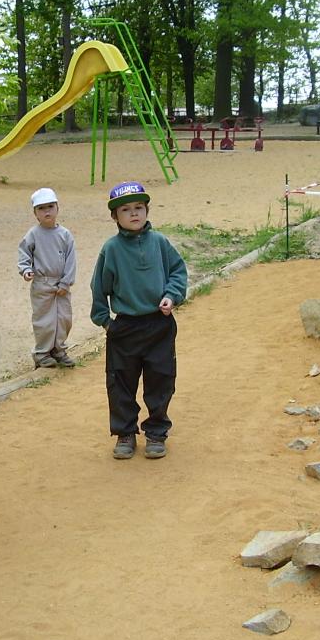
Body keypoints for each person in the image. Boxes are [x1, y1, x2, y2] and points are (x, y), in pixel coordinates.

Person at [90, 181, 187, 460]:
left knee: (161, 380)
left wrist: (171, 295)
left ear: (146, 211)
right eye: (125, 209)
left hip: (159, 323)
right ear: (114, 216)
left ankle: (156, 432)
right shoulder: (111, 249)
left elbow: (178, 271)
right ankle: (125, 433)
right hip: (125, 327)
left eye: (139, 207)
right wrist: (105, 321)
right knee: (120, 382)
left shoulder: (160, 243)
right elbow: (99, 287)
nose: (133, 213)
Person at [18, 187, 77, 369]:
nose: (47, 212)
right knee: (44, 320)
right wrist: (26, 269)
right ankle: (42, 353)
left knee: (63, 318)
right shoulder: (33, 235)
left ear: (57, 208)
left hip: (61, 284)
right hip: (42, 283)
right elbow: (24, 253)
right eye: (41, 208)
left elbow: (71, 260)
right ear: (35, 213)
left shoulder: (65, 235)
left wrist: (66, 282)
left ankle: (59, 350)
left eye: (50, 206)